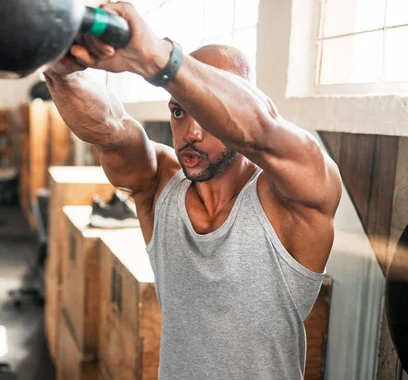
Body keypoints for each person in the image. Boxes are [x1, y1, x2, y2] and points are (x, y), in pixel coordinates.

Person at [44, 2, 342, 379]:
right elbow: (112, 127)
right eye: (180, 112)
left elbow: (262, 130)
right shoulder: (160, 186)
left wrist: (158, 58)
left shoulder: (290, 200)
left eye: (208, 115)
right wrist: (59, 67)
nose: (191, 133)